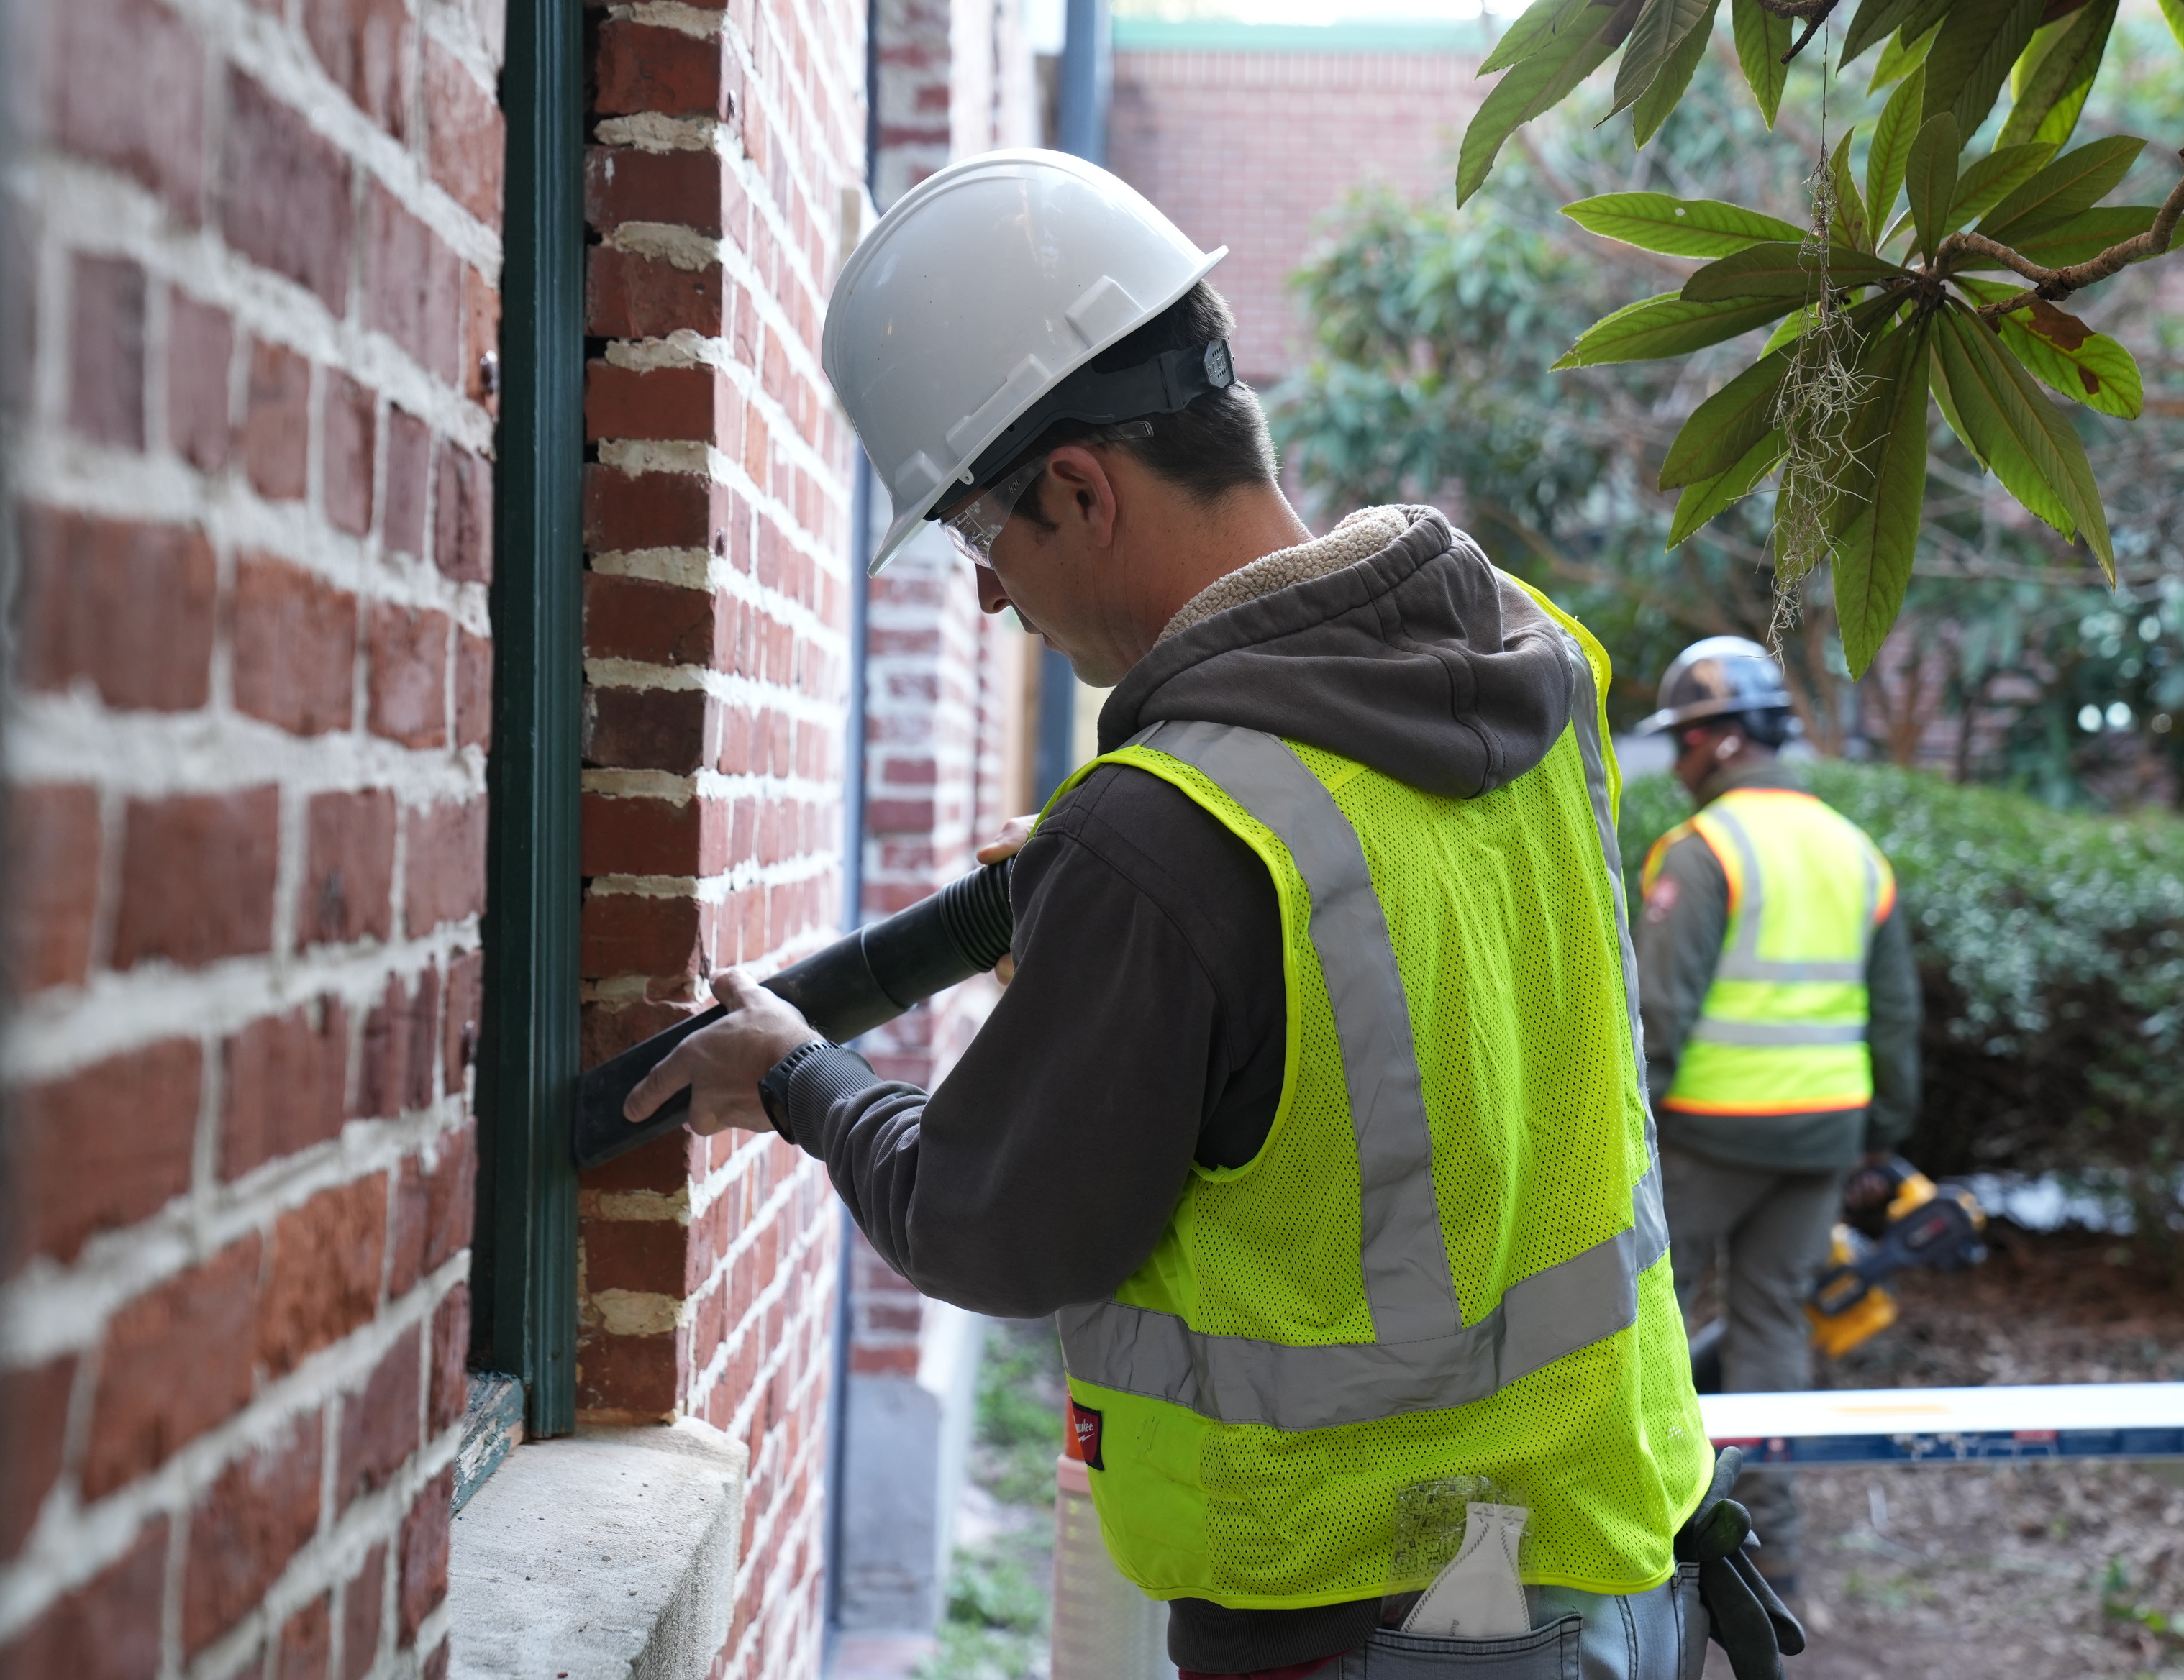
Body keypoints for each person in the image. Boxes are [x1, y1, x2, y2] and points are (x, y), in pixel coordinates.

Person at [624, 151, 1795, 1679]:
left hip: (1391, 1620)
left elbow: (991, 1226)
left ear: (1079, 489)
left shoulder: (1171, 836)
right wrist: (1138, 921)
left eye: (987, 544)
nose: (995, 604)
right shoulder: (1527, 658)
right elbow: (1423, 1004)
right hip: (1611, 1555)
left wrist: (788, 1076)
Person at [1633, 637, 1925, 1595]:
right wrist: (1880, 1137)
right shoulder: (1854, 849)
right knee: (1771, 1335)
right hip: (1821, 1141)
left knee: (1652, 1329)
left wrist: (1625, 1129)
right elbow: (1895, 1016)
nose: (1675, 763)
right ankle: (1770, 1562)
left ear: (1718, 742)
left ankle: (1657, 1553)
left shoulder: (1704, 851)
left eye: (1681, 741)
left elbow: (1660, 1015)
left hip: (1707, 1135)